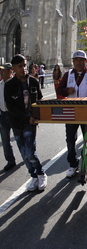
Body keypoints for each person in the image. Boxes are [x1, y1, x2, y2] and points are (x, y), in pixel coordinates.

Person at [4, 54, 47, 191]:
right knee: (23, 153)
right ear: (13, 68)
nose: (23, 68)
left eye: (24, 65)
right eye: (20, 66)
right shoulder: (9, 85)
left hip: (31, 122)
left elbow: (39, 100)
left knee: (30, 152)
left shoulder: (33, 82)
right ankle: (33, 176)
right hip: (17, 123)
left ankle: (41, 174)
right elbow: (10, 107)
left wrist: (36, 116)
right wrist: (24, 117)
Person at [56, 50, 87, 177]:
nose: (78, 62)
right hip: (71, 112)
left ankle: (86, 163)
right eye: (76, 60)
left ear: (86, 61)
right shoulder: (68, 74)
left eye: (81, 60)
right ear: (73, 61)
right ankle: (72, 163)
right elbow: (59, 90)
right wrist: (66, 90)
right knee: (70, 139)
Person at [0, 63, 17, 171]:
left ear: (10, 71)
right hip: (3, 114)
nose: (1, 72)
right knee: (5, 139)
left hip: (14, 115)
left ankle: (28, 157)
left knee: (20, 139)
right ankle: (10, 160)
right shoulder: (0, 84)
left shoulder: (15, 83)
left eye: (3, 70)